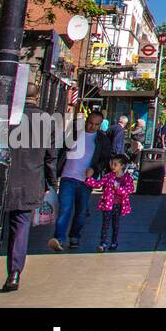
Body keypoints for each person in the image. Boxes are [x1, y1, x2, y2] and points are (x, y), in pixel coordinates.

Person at [0, 80, 58, 292]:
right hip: (31, 181)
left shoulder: (7, 117)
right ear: (38, 96)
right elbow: (51, 157)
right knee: (20, 227)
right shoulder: (48, 121)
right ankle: (14, 273)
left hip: (3, 179)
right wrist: (51, 183)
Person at [49, 108, 109, 252]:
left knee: (81, 211)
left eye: (96, 124)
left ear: (100, 125)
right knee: (65, 208)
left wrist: (94, 169)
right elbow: (60, 150)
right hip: (68, 176)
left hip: (85, 181)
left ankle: (74, 236)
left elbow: (105, 159)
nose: (92, 126)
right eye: (90, 123)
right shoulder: (74, 133)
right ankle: (59, 239)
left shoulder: (102, 140)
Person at [86, 154, 135, 252]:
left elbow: (130, 189)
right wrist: (88, 179)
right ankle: (103, 243)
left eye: (115, 164)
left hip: (119, 204)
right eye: (111, 164)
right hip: (107, 204)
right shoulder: (108, 176)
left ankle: (114, 242)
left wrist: (119, 189)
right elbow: (98, 184)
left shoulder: (127, 178)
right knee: (105, 224)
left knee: (115, 224)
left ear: (122, 166)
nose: (112, 166)